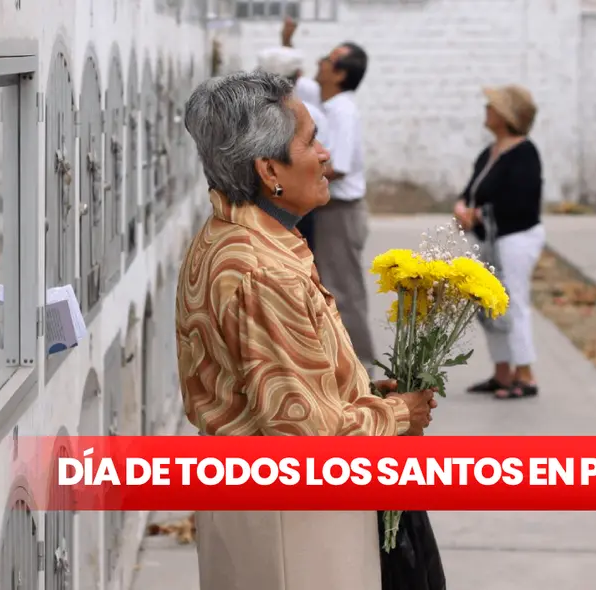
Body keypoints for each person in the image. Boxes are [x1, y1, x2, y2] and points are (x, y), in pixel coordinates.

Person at [178, 71, 437, 590]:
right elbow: (306, 439)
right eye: (311, 140)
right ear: (269, 168)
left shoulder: (238, 235)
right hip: (293, 521)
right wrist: (397, 414)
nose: (325, 155)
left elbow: (284, 385)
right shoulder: (260, 269)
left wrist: (356, 390)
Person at [282, 19, 377, 375]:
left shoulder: (344, 110)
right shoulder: (326, 99)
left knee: (343, 288)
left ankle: (363, 367)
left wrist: (294, 178)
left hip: (342, 210)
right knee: (329, 285)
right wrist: (286, 41)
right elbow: (291, 79)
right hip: (329, 209)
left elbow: (339, 165)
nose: (320, 62)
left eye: (328, 59)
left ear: (339, 73)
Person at [452, 84, 545, 400]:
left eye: (492, 107)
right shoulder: (490, 152)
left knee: (513, 303)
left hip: (515, 238)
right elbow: (472, 190)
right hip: (490, 240)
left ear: (506, 115)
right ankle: (502, 373)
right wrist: (462, 207)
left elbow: (521, 202)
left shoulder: (525, 153)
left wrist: (476, 215)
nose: (486, 111)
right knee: (490, 306)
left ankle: (526, 374)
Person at [256, 45, 330, 252]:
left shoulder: (245, 112)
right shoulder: (309, 113)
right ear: (298, 76)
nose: (323, 154)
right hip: (295, 203)